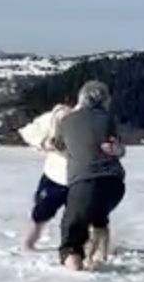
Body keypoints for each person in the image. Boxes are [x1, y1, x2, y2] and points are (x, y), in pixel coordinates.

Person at [53, 80, 126, 271]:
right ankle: (102, 253)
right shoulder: (108, 118)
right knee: (98, 215)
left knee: (72, 232)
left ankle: (77, 264)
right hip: (115, 185)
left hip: (83, 183)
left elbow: (58, 145)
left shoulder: (66, 120)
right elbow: (115, 147)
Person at [17, 101, 73, 250]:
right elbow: (29, 131)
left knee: (83, 217)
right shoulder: (52, 118)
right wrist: (45, 143)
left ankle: (93, 247)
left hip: (81, 179)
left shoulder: (89, 120)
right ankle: (28, 244)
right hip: (55, 176)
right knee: (41, 212)